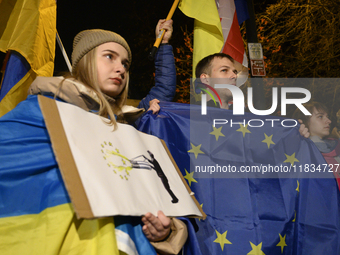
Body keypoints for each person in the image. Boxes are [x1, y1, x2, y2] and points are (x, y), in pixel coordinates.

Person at [0, 20, 187, 255]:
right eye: (109, 56)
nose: (120, 68)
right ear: (85, 61)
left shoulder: (125, 127)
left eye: (125, 63)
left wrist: (164, 232)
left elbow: (154, 197)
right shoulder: (39, 111)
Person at [194, 52, 310, 138]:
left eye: (235, 72)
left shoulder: (249, 119)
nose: (234, 76)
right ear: (205, 79)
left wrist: (293, 135)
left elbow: (268, 149)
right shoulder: (190, 117)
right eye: (224, 70)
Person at [293, 101, 340, 189]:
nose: (329, 121)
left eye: (327, 116)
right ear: (304, 122)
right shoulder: (301, 152)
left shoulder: (335, 148)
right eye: (320, 117)